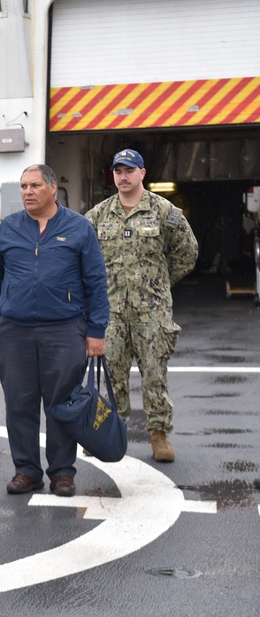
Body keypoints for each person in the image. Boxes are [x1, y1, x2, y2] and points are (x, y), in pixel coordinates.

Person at [0, 164, 110, 498]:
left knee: (62, 404)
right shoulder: (9, 228)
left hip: (64, 330)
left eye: (35, 185)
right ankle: (26, 470)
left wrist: (95, 330)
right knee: (19, 404)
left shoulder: (79, 228)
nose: (27, 192)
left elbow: (96, 282)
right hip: (14, 333)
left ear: (52, 188)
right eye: (24, 186)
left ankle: (62, 473)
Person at [86, 149, 198, 462]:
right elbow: (83, 254)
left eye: (129, 170)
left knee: (154, 377)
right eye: (118, 171)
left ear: (142, 174)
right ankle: (112, 433)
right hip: (112, 313)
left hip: (152, 313)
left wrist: (158, 283)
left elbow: (187, 252)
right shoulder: (99, 214)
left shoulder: (163, 211)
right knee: (113, 376)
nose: (123, 176)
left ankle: (158, 434)